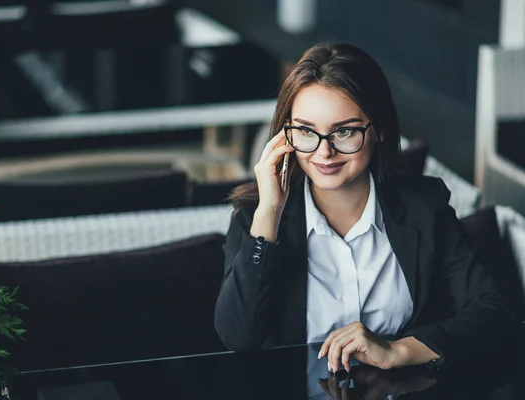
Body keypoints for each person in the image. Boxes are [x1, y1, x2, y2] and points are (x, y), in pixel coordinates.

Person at [214, 43, 517, 374]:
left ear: (380, 129)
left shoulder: (424, 206)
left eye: (343, 131)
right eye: (305, 131)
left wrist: (398, 350)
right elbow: (238, 337)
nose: (324, 152)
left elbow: (494, 313)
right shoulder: (256, 217)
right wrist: (269, 210)